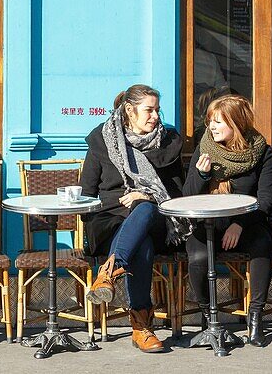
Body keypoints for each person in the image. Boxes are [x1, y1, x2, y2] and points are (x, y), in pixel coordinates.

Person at [81, 84, 189, 353]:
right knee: (142, 246)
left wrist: (147, 196)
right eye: (148, 110)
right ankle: (141, 326)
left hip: (158, 220)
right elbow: (87, 193)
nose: (155, 116)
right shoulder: (101, 139)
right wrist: (119, 201)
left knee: (145, 208)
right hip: (109, 220)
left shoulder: (169, 142)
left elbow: (177, 192)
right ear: (129, 110)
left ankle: (109, 271)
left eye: (157, 110)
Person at [183, 94, 272, 347]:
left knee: (262, 247)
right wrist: (202, 175)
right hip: (207, 225)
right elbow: (187, 198)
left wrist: (240, 224)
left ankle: (255, 318)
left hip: (247, 223)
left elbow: (266, 200)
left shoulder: (262, 152)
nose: (211, 127)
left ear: (236, 124)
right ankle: (208, 317)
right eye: (210, 121)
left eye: (218, 122)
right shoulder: (205, 149)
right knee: (200, 257)